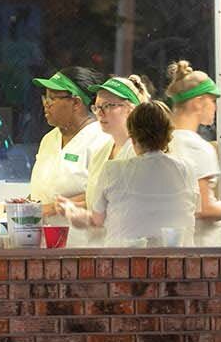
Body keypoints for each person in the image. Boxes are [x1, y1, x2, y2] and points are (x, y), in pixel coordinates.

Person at [75, 100, 197, 246]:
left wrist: (74, 214)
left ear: (132, 137)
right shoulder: (187, 170)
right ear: (168, 134)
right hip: (178, 263)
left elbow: (97, 219)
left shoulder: (112, 170)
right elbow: (194, 211)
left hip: (123, 264)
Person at [164, 60, 221, 245]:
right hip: (200, 246)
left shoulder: (163, 141)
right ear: (198, 102)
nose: (215, 108)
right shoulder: (197, 147)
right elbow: (203, 207)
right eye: (212, 101)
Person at [27, 67, 112, 247]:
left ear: (76, 103)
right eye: (45, 97)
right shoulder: (49, 139)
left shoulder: (102, 140)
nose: (46, 103)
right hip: (44, 244)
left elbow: (104, 196)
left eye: (52, 98)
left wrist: (50, 208)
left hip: (83, 247)